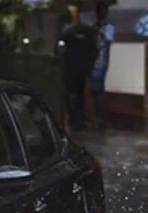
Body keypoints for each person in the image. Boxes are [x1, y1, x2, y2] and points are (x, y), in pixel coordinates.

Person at [59, 4, 97, 132]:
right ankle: (79, 121)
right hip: (84, 68)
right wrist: (90, 64)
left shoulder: (67, 32)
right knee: (80, 95)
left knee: (72, 94)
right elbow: (94, 50)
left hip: (70, 68)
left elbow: (60, 48)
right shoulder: (89, 32)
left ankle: (74, 120)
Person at [90, 2, 114, 128]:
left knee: (99, 91)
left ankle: (101, 118)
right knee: (93, 91)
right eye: (98, 11)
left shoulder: (109, 28)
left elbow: (108, 41)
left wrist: (99, 31)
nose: (100, 14)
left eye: (103, 11)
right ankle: (96, 117)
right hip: (91, 63)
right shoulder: (92, 27)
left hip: (101, 63)